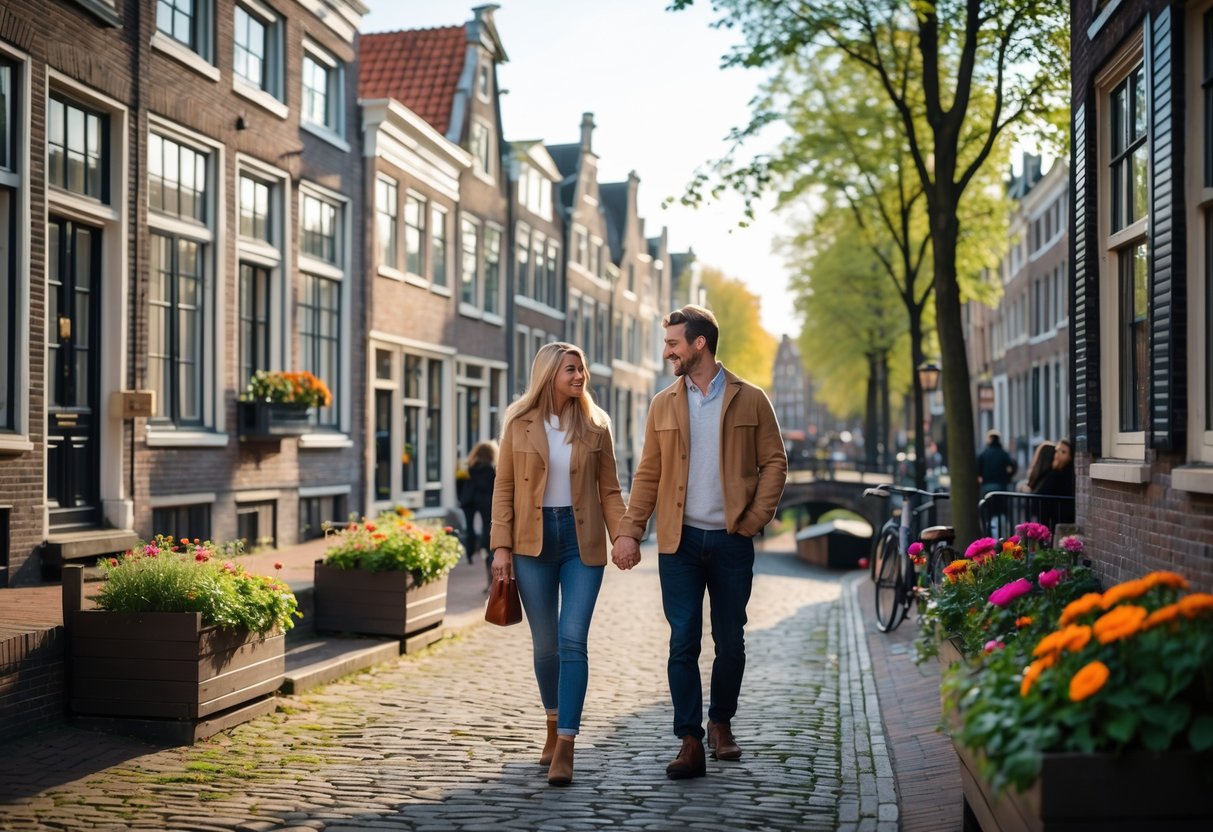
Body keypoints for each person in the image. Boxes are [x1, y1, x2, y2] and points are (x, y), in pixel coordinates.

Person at [611, 305, 787, 780]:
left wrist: (753, 520)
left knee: (731, 641)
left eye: (672, 343)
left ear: (699, 344)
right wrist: (630, 530)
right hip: (679, 544)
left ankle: (720, 724)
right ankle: (689, 740)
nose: (666, 351)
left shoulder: (751, 399)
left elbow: (775, 463)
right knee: (682, 641)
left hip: (732, 541)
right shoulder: (663, 403)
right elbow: (647, 474)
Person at [489, 342, 626, 787]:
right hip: (531, 543)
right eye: (571, 369)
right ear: (549, 373)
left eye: (582, 368)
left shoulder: (596, 425)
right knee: (545, 645)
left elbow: (610, 490)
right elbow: (504, 487)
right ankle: (552, 721)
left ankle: (566, 743)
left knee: (573, 640)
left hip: (580, 542)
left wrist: (624, 534)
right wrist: (500, 548)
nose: (580, 375)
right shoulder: (519, 423)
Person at [460, 440, 497, 586]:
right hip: (487, 502)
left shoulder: (471, 468)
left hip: (470, 500)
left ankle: (470, 552)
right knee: (488, 530)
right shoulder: (492, 469)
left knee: (470, 528)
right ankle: (487, 553)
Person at [976, 429, 1017, 495]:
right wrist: (1008, 477)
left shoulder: (983, 454)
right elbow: (1013, 465)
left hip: (986, 485)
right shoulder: (1004, 454)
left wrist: (981, 477)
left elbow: (977, 468)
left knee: (987, 504)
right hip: (1001, 486)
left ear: (989, 439)